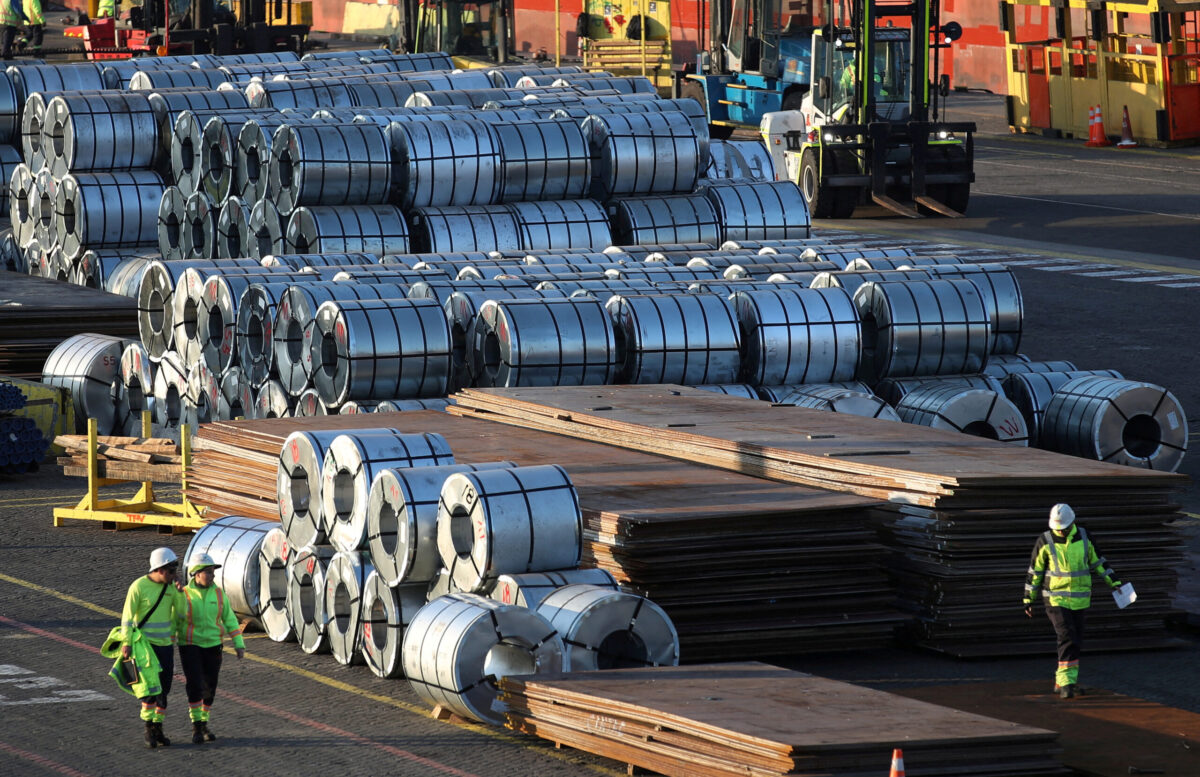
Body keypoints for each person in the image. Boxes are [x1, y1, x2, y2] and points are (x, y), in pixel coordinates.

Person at [1023, 504, 1122, 699]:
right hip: (1055, 598)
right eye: (1057, 528)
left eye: (1063, 528)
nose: (1060, 531)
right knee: (1067, 637)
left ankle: (1064, 682)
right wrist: (1029, 599)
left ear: (1072, 523)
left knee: (1075, 640)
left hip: (1079, 599)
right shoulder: (1045, 540)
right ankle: (1066, 683)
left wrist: (1114, 582)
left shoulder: (1084, 537)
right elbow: (1035, 571)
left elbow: (1099, 562)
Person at [177, 552, 245, 745]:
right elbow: (175, 619)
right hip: (190, 645)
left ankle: (204, 722)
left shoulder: (219, 594)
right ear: (196, 573)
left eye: (213, 571)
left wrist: (239, 643)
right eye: (208, 571)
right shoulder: (184, 595)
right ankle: (196, 725)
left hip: (214, 646)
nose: (212, 575)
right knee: (195, 685)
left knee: (210, 686)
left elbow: (230, 619)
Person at [119, 547, 184, 748]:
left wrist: (180, 593)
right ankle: (148, 728)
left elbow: (181, 614)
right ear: (159, 569)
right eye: (171, 571)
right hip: (145, 648)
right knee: (149, 689)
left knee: (164, 690)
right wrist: (126, 643)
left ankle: (158, 728)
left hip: (165, 647)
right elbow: (127, 617)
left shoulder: (171, 588)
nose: (174, 575)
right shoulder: (138, 587)